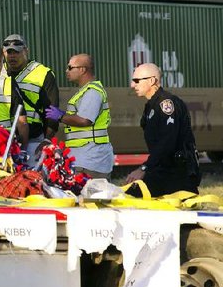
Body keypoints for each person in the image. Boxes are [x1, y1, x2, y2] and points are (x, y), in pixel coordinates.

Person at [124, 63, 200, 196]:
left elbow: (167, 142)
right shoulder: (151, 106)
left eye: (136, 80)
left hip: (177, 175)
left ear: (152, 81)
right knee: (130, 194)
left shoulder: (166, 104)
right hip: (162, 170)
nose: (132, 85)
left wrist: (144, 168)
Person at [45, 54, 114, 179]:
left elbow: (84, 120)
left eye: (70, 67)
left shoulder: (92, 92)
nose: (67, 71)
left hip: (91, 160)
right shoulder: (85, 91)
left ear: (82, 69)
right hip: (86, 158)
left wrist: (60, 116)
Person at [1, 34, 60, 160]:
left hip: (33, 141)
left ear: (26, 51)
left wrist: (47, 139)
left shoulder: (43, 73)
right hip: (3, 140)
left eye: (17, 52)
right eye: (9, 52)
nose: (12, 56)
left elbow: (52, 110)